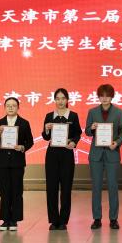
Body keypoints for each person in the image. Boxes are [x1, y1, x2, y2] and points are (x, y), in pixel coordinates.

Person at [85, 84, 122, 230]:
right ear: (98, 97)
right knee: (96, 187)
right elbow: (87, 131)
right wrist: (92, 128)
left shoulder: (119, 113)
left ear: (112, 96)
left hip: (112, 153)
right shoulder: (92, 112)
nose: (104, 98)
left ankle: (113, 219)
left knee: (113, 186)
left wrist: (117, 143)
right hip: (96, 154)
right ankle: (97, 218)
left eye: (107, 95)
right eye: (102, 96)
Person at [42, 88, 82, 231]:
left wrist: (73, 143)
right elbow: (45, 137)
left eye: (63, 98)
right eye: (58, 98)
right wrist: (47, 129)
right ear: (54, 100)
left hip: (66, 154)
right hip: (52, 154)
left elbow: (78, 133)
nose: (60, 101)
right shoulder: (49, 116)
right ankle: (54, 220)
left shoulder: (73, 115)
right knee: (51, 187)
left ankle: (63, 220)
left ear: (67, 100)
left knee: (66, 187)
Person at [0, 97, 34, 231]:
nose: (11, 108)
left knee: (16, 191)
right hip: (3, 162)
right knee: (4, 191)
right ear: (5, 107)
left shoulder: (24, 123)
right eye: (8, 105)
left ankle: (14, 220)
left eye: (13, 105)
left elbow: (30, 142)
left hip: (17, 162)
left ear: (18, 107)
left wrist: (22, 147)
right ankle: (5, 220)